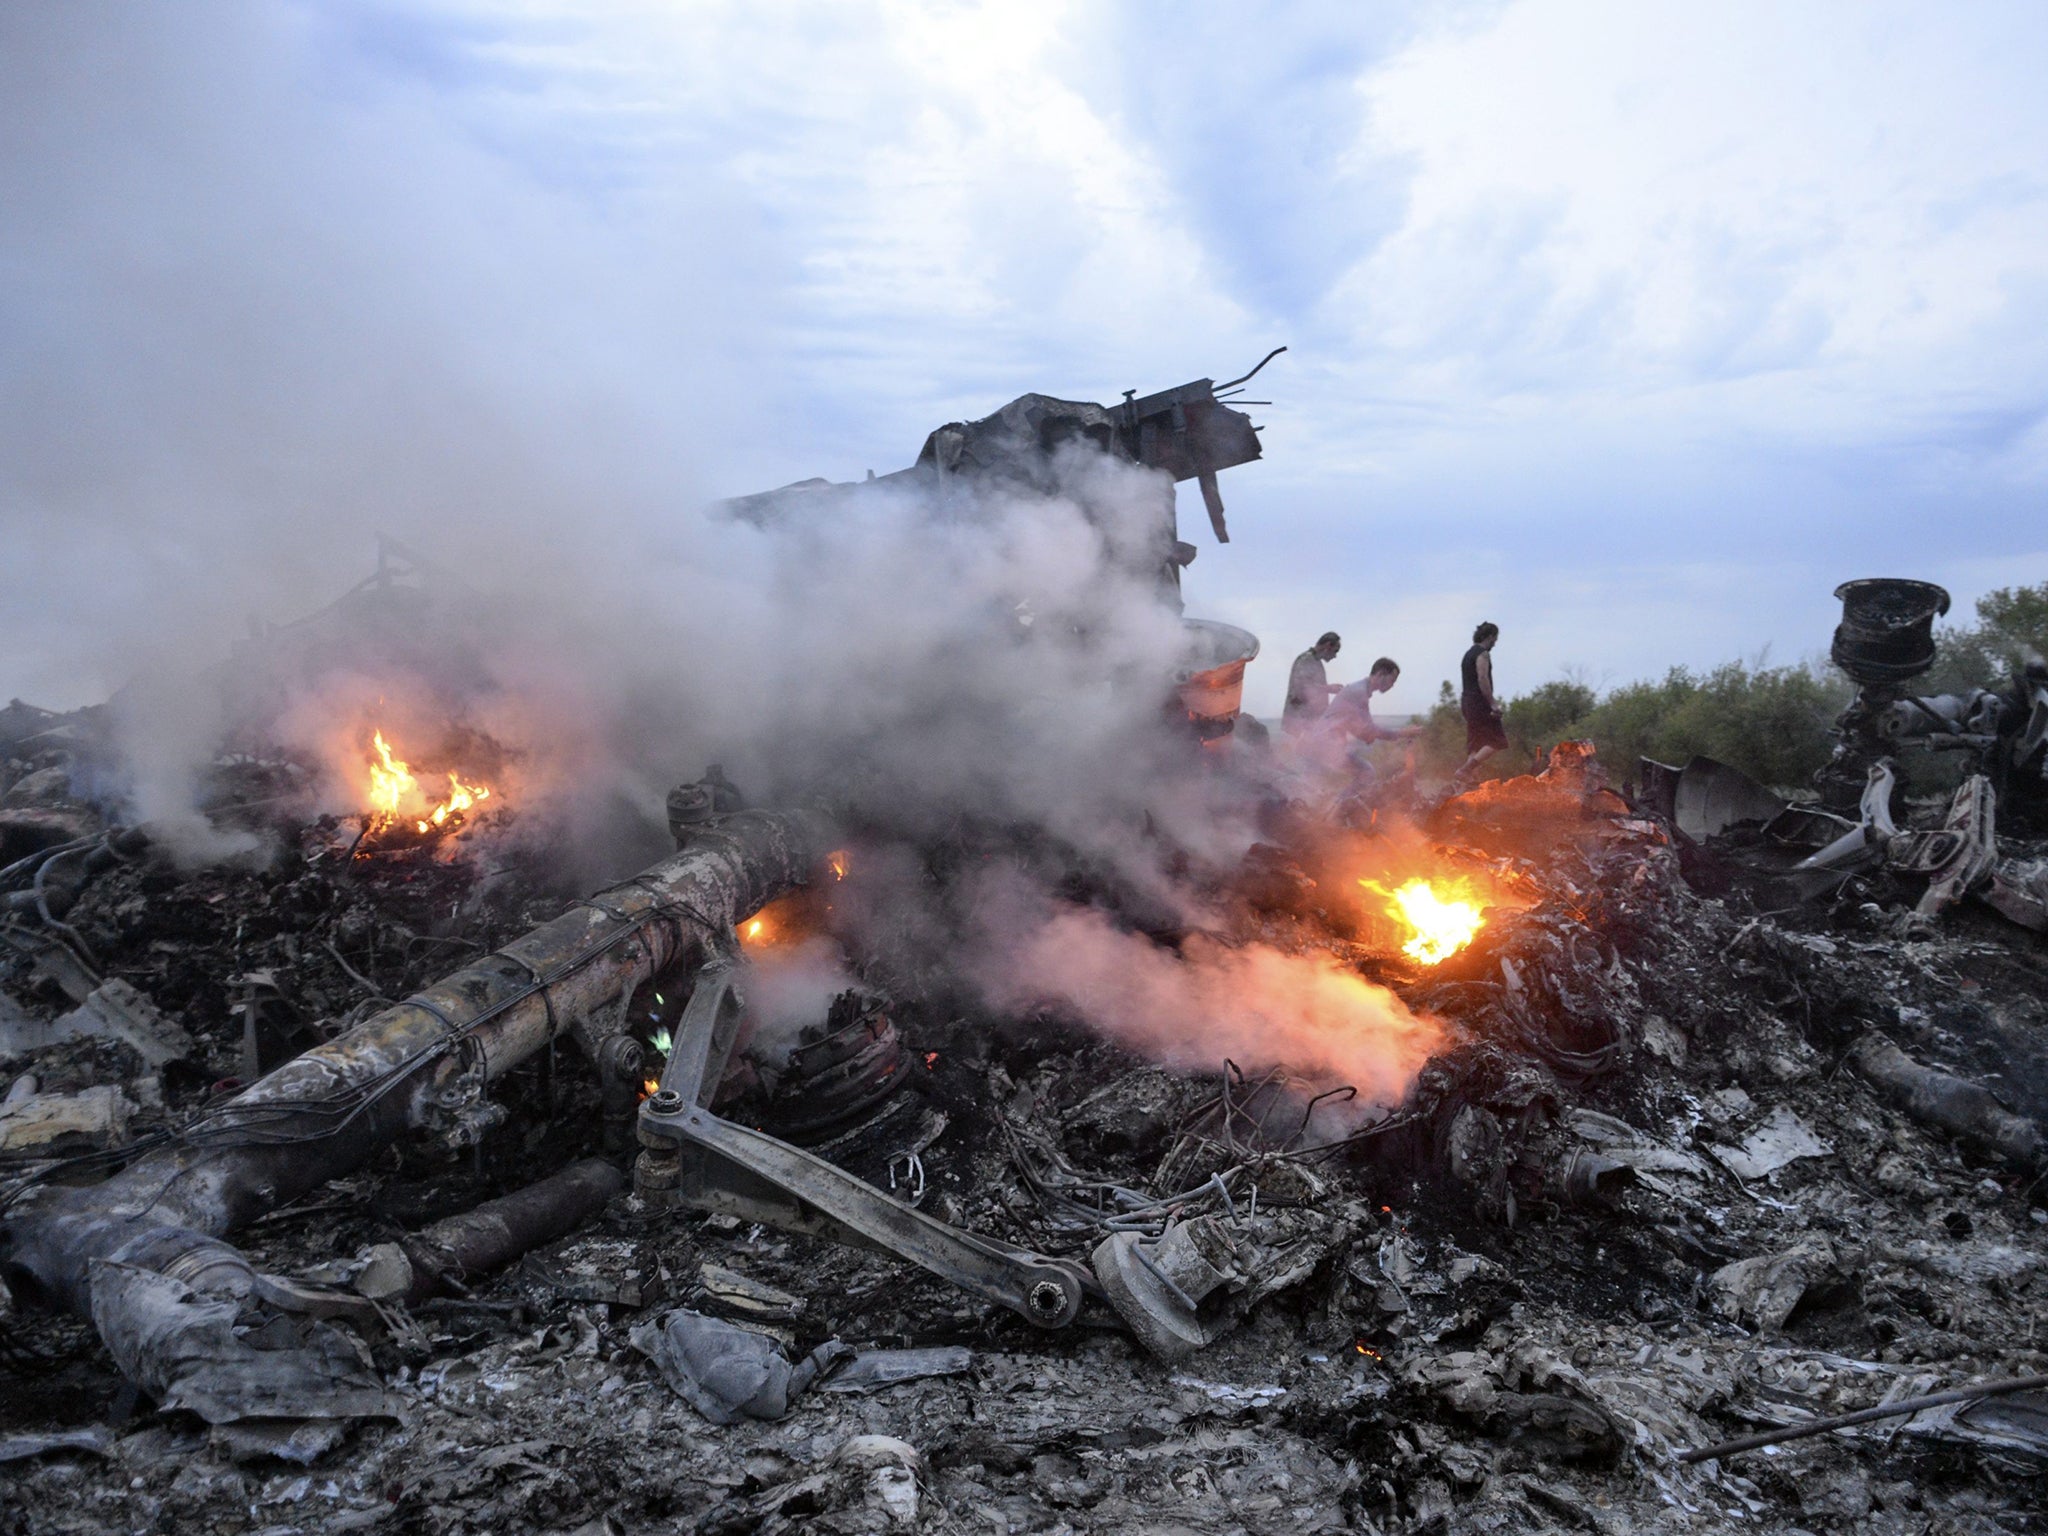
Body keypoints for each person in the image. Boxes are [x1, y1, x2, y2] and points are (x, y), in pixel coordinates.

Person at [1454, 622, 1507, 786]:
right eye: (1495, 639)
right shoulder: (1482, 654)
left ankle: (1469, 782)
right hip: (1479, 702)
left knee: (1476, 743)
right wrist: (1492, 703)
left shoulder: (1468, 653)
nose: (1495, 643)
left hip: (1467, 702)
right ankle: (1465, 770)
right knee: (1497, 741)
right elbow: (1482, 678)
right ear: (1489, 636)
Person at [1283, 632, 1343, 735]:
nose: (1335, 656)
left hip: (1309, 723)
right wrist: (1328, 689)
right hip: (1299, 722)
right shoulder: (1306, 659)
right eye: (1335, 651)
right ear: (1328, 646)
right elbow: (1301, 687)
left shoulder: (1315, 661)